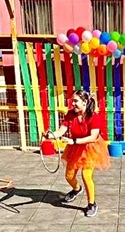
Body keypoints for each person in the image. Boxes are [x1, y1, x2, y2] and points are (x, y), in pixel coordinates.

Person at [45, 90, 110, 218]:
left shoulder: (93, 117)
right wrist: (51, 135)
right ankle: (76, 189)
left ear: (85, 102)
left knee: (86, 175)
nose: (72, 104)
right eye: (72, 101)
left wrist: (74, 141)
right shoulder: (70, 114)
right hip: (75, 148)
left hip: (90, 148)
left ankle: (92, 204)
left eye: (75, 101)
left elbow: (93, 137)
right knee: (69, 176)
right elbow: (61, 130)